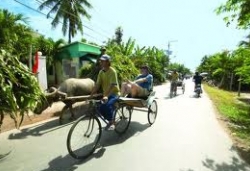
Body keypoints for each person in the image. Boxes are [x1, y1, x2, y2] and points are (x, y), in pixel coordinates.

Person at [90, 54, 120, 129]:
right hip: (106, 94)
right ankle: (110, 120)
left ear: (108, 62)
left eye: (103, 61)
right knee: (100, 108)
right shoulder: (101, 72)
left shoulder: (112, 71)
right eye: (101, 61)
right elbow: (97, 85)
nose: (101, 62)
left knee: (107, 105)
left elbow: (112, 85)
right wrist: (91, 94)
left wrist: (106, 95)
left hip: (114, 93)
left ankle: (112, 122)